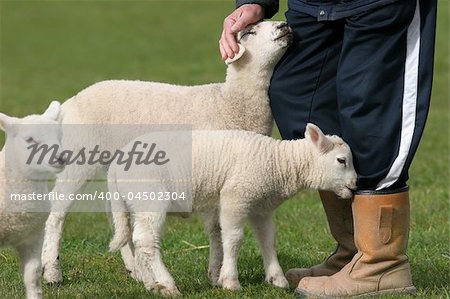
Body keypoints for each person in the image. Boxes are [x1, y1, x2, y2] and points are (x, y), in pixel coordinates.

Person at [220, 0, 437, 297]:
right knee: (298, 95)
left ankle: (381, 263)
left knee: (369, 107)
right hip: (313, 5)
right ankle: (351, 251)